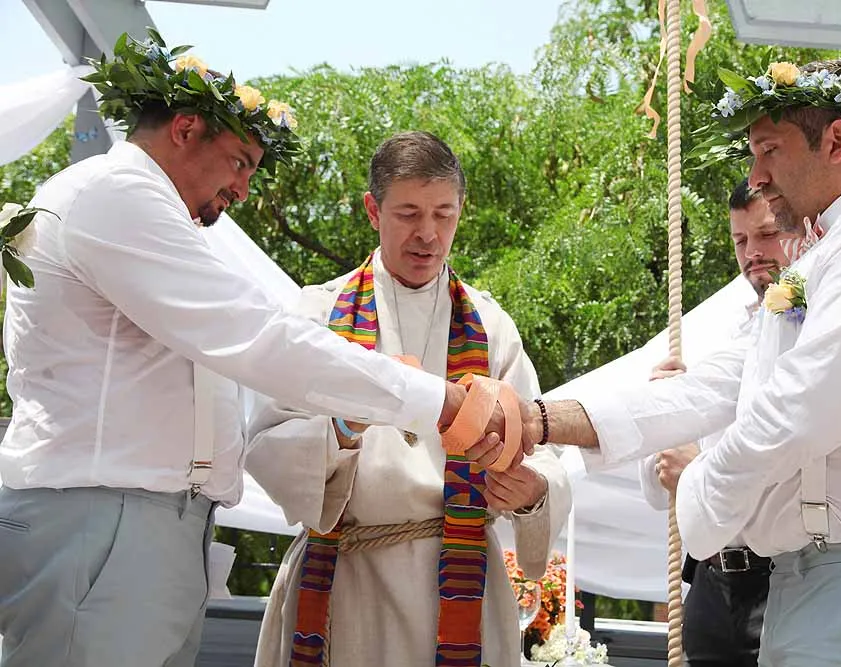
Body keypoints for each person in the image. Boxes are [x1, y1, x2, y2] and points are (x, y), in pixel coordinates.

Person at [0, 35, 512, 667]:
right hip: (104, 519)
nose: (243, 189)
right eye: (239, 162)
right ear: (185, 129)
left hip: (141, 524)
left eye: (444, 214)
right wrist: (437, 401)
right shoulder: (117, 195)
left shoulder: (148, 210)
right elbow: (260, 339)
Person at [471, 56, 841, 665]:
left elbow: (808, 405)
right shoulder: (816, 260)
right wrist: (539, 418)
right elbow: (713, 385)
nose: (757, 176)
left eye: (769, 150)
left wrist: (699, 488)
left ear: (836, 141)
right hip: (804, 579)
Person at [248, 131, 571, 667]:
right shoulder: (318, 315)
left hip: (463, 580)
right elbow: (265, 446)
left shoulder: (490, 326)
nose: (428, 234)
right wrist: (341, 429)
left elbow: (542, 452)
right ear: (373, 210)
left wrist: (531, 491)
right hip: (346, 580)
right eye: (409, 214)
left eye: (444, 214)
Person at [639, 179, 804, 667]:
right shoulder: (714, 339)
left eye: (766, 234)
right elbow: (658, 491)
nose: (752, 253)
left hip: (784, 583)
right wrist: (666, 416)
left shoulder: (817, 330)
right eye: (740, 240)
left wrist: (697, 468)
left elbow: (786, 454)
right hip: (710, 586)